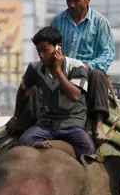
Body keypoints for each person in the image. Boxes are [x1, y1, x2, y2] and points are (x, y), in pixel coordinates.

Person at [7, 27, 96, 160]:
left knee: (88, 149)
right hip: (46, 125)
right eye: (38, 51)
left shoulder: (76, 66)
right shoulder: (34, 68)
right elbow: (22, 90)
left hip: (72, 124)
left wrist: (58, 71)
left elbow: (75, 96)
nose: (41, 55)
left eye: (45, 50)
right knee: (24, 141)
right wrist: (16, 117)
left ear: (58, 48)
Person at [50, 0, 114, 140]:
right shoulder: (57, 21)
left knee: (98, 74)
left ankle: (98, 125)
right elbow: (51, 47)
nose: (72, 5)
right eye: (68, 0)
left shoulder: (100, 22)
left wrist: (87, 66)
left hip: (89, 74)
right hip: (64, 73)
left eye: (76, 1)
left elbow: (107, 54)